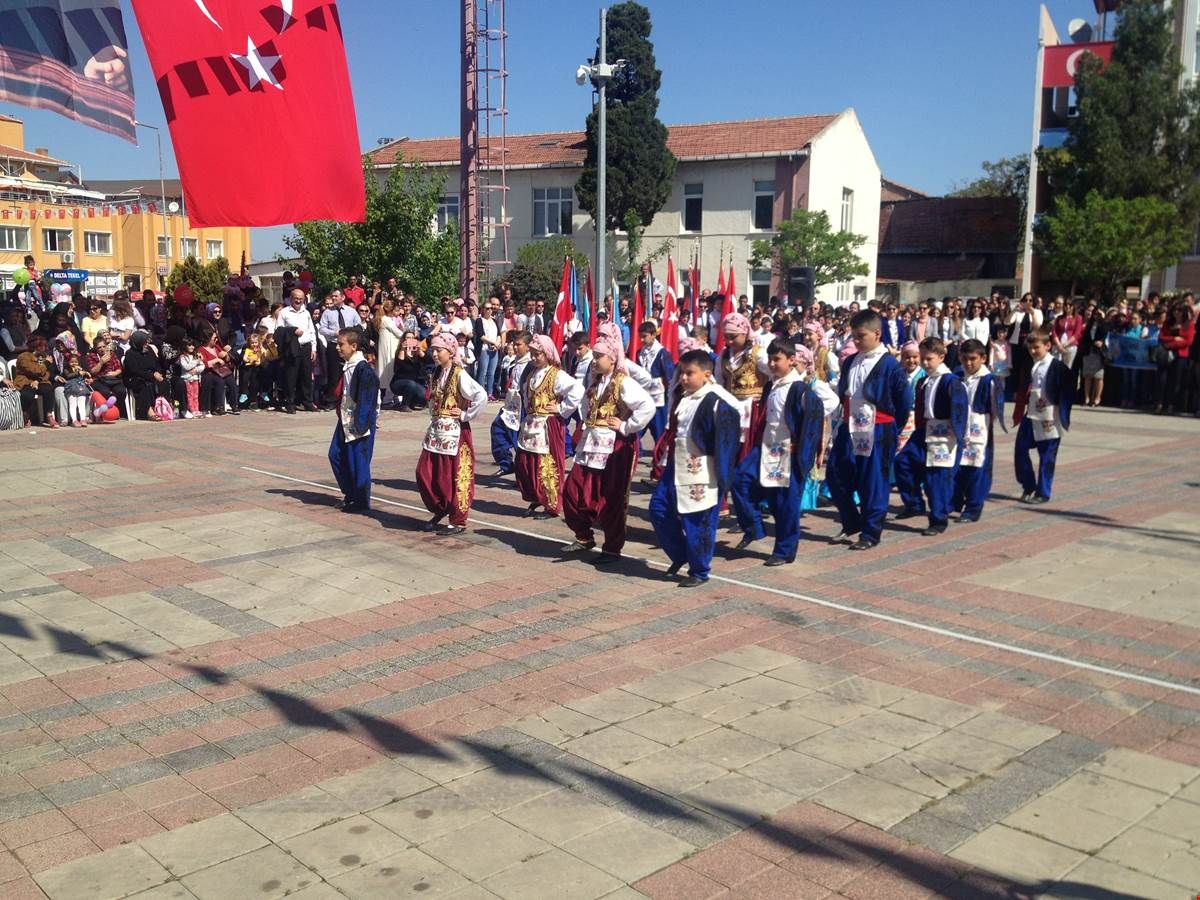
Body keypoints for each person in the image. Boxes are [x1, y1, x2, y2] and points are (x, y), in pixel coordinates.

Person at [648, 349, 742, 587]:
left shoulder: (716, 400)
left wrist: (721, 470)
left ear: (707, 374)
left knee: (698, 520)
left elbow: (730, 430)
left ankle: (700, 569)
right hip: (676, 463)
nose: (684, 378)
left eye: (690, 373)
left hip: (701, 468)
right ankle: (681, 555)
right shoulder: (684, 396)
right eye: (682, 373)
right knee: (658, 508)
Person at [729, 339, 825, 566]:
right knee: (740, 479)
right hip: (766, 447)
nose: (772, 364)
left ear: (791, 360)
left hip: (789, 452)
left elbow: (812, 423)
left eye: (777, 359)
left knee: (786, 503)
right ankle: (753, 527)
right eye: (770, 359)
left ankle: (784, 550)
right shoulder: (771, 386)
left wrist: (806, 455)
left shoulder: (801, 390)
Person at [562, 333, 655, 561]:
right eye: (593, 356)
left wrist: (626, 426)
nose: (594, 361)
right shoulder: (595, 382)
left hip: (613, 448)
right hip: (590, 445)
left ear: (612, 359)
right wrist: (585, 422)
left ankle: (612, 548)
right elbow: (584, 404)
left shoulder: (623, 382)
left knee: (611, 497)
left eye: (599, 357)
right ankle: (584, 536)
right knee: (572, 491)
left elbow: (647, 406)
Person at [827, 310, 912, 551]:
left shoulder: (890, 365)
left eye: (861, 336)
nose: (856, 341)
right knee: (835, 474)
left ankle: (870, 532)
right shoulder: (851, 360)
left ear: (877, 333)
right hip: (850, 426)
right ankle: (851, 522)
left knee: (873, 480)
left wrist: (891, 428)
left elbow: (903, 401)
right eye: (853, 336)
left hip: (878, 427)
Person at [893, 337, 968, 536]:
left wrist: (960, 435)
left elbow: (960, 410)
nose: (924, 363)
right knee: (903, 462)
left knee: (937, 478)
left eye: (929, 359)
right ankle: (914, 503)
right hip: (923, 431)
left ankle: (938, 518)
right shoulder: (924, 381)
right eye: (922, 358)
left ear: (941, 357)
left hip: (945, 434)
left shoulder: (951, 381)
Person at [416, 333, 489, 535]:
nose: (434, 354)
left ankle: (458, 520)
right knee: (427, 472)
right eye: (433, 350)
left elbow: (480, 395)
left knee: (455, 475)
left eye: (439, 350)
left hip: (455, 433)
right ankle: (441, 507)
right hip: (437, 432)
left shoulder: (459, 374)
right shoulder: (439, 372)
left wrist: (465, 414)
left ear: (451, 351)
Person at [513, 335, 583, 519]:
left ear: (547, 353)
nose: (534, 358)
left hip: (548, 426)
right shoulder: (532, 373)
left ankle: (552, 504)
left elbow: (578, 390)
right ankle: (537, 496)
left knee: (548, 465)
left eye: (538, 355)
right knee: (527, 463)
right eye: (533, 354)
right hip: (532, 425)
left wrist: (561, 408)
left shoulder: (556, 374)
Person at [1013, 327, 1073, 504]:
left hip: (1050, 416)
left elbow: (1068, 392)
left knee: (1047, 456)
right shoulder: (1032, 364)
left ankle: (1043, 492)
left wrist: (1061, 410)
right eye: (1030, 348)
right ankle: (1028, 484)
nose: (1032, 351)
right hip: (1031, 414)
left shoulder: (1059, 368)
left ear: (1048, 346)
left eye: (1036, 348)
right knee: (1020, 449)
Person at [953, 339, 1005, 523]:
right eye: (965, 359)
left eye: (973, 359)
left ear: (982, 358)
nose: (968, 363)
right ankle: (955, 501)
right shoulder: (957, 376)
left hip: (979, 429)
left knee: (977, 468)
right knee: (959, 467)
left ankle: (974, 507)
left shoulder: (989, 380)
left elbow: (995, 407)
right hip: (959, 429)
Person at [329, 328, 379, 514]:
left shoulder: (362, 368)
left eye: (341, 344)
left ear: (354, 346)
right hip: (345, 418)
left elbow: (370, 397)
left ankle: (361, 499)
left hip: (359, 420)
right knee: (335, 454)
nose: (337, 348)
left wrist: (363, 422)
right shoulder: (349, 365)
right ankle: (350, 493)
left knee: (358, 460)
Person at [715, 313, 770, 456]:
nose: (729, 341)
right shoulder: (724, 355)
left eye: (733, 337)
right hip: (729, 405)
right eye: (726, 337)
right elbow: (718, 382)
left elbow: (773, 374)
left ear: (745, 334)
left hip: (751, 407)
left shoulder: (758, 353)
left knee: (747, 445)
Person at [491, 331, 531, 475]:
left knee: (520, 441)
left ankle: (523, 474)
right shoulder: (515, 361)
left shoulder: (531, 365)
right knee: (497, 429)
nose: (515, 347)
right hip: (511, 404)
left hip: (523, 407)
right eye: (514, 344)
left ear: (528, 346)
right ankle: (506, 464)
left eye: (518, 345)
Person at [318, 289, 362, 409]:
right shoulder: (327, 312)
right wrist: (334, 333)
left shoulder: (351, 311)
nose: (333, 298)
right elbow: (322, 329)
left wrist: (351, 334)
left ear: (343, 297)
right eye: (332, 296)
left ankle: (350, 397)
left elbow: (359, 326)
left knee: (349, 371)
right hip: (334, 345)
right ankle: (332, 399)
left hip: (349, 346)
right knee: (334, 373)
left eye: (336, 296)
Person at [279, 288, 318, 414]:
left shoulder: (306, 313)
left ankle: (307, 401)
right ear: (291, 298)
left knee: (306, 376)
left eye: (301, 299)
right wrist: (292, 331)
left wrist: (314, 348)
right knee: (291, 376)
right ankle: (290, 402)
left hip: (306, 347)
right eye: (296, 298)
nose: (298, 301)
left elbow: (311, 331)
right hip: (292, 348)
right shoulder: (284, 312)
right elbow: (278, 331)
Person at [636, 320, 674, 443]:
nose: (642, 340)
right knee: (637, 426)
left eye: (645, 336)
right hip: (642, 396)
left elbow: (670, 376)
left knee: (659, 429)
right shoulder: (639, 353)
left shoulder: (662, 353)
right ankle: (634, 454)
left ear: (653, 335)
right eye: (640, 337)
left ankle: (660, 457)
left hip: (658, 397)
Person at [13, 335, 59, 427]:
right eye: (42, 346)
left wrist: (37, 381)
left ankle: (49, 415)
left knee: (48, 389)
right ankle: (25, 414)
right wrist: (46, 363)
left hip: (40, 381)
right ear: (36, 347)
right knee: (27, 394)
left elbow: (47, 373)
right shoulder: (23, 356)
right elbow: (34, 370)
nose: (44, 348)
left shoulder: (44, 356)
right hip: (25, 381)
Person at [122, 331, 165, 421]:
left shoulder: (149, 350)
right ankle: (149, 411)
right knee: (144, 385)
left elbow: (156, 364)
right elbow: (135, 371)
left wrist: (158, 372)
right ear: (138, 342)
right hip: (134, 378)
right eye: (144, 342)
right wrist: (152, 375)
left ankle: (164, 408)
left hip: (150, 376)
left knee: (165, 383)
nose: (147, 344)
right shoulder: (130, 354)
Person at [390, 332, 427, 411]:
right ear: (404, 339)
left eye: (412, 338)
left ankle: (411, 403)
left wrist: (419, 350)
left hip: (415, 383)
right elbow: (399, 366)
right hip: (399, 382)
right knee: (411, 384)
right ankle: (404, 405)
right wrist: (403, 349)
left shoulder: (417, 353)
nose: (410, 339)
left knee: (423, 395)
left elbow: (428, 361)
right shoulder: (400, 352)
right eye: (408, 337)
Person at [179, 337, 204, 419]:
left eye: (193, 345)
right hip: (187, 379)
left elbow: (202, 366)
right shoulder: (183, 357)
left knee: (196, 395)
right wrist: (196, 362)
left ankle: (196, 409)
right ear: (185, 346)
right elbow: (186, 367)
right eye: (189, 345)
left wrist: (196, 370)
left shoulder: (196, 355)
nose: (192, 347)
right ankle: (192, 410)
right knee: (189, 395)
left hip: (195, 378)